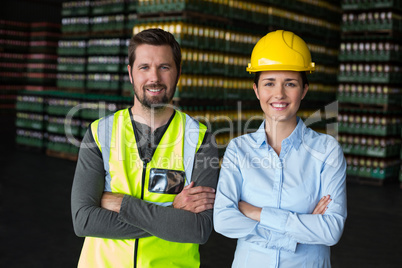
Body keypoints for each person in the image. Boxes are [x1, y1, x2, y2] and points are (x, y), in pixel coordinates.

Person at [71, 28, 219, 268]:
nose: (154, 78)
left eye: (164, 67)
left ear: (178, 73)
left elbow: (198, 229)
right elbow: (84, 221)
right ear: (130, 74)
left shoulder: (200, 141)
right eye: (144, 67)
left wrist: (122, 204)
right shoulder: (100, 134)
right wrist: (171, 212)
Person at [213, 30, 347, 267]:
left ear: (304, 90)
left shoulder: (326, 151)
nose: (279, 94)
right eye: (269, 83)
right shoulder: (238, 150)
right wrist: (298, 229)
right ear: (256, 90)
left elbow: (331, 230)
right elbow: (223, 220)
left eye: (290, 83)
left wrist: (256, 213)